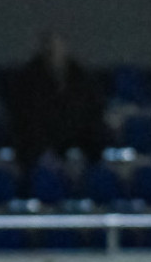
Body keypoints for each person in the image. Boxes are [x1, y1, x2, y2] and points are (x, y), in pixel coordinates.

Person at [6, 31, 106, 172]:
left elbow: (90, 113)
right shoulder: (28, 81)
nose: (55, 52)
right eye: (50, 48)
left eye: (58, 47)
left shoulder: (80, 78)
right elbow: (26, 120)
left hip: (77, 144)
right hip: (39, 148)